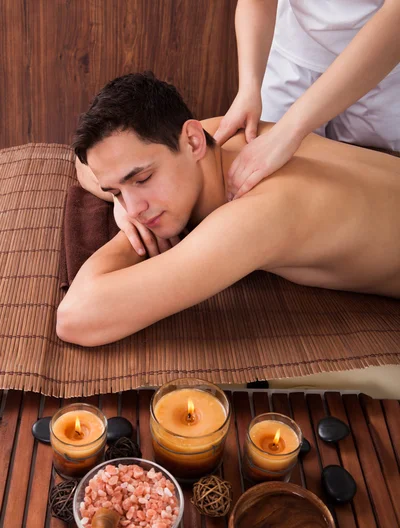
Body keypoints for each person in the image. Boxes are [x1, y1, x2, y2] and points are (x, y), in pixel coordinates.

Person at [57, 72, 400, 347]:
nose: (135, 208)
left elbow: (76, 318)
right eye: (117, 191)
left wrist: (127, 236)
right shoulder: (216, 135)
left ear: (192, 141)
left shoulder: (256, 215)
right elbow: (85, 161)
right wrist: (122, 203)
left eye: (143, 179)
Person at [214, 0, 400, 201]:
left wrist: (289, 130)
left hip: (384, 68)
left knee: (373, 190)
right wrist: (248, 88)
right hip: (295, 49)